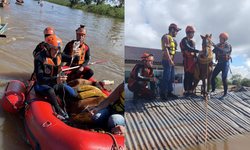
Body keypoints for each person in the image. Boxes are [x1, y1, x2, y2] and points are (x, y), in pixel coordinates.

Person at [33, 35, 81, 119]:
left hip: (54, 83)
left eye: (58, 49)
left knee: (74, 94)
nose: (56, 51)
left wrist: (77, 55)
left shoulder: (59, 55)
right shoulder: (39, 59)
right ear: (48, 48)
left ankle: (70, 106)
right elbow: (40, 79)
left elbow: (75, 60)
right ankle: (59, 111)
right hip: (41, 85)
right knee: (50, 91)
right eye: (54, 49)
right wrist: (56, 79)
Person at [180, 26, 203, 97]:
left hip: (192, 60)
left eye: (193, 33)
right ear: (188, 33)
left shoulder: (193, 42)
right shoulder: (184, 40)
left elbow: (194, 51)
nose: (193, 35)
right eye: (192, 33)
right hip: (187, 59)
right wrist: (198, 51)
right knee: (187, 75)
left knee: (191, 76)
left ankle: (190, 91)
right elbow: (188, 48)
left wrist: (197, 57)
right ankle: (186, 91)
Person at [160, 23, 180, 100]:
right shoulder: (166, 37)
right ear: (172, 29)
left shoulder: (173, 40)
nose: (177, 32)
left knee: (171, 77)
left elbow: (173, 51)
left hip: (171, 61)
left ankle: (169, 93)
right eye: (176, 31)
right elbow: (166, 49)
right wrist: (169, 60)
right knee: (166, 77)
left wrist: (173, 60)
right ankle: (163, 93)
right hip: (166, 60)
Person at [210, 33, 232, 100]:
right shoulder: (218, 45)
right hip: (219, 63)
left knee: (224, 78)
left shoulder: (227, 45)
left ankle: (225, 94)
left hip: (225, 64)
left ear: (225, 39)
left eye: (221, 38)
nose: (220, 40)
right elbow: (212, 52)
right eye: (220, 38)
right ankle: (213, 91)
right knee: (213, 76)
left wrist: (215, 46)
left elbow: (223, 51)